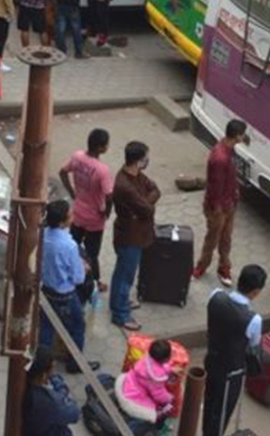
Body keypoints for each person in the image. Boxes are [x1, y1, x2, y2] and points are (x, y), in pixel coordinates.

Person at [202, 264, 266, 436]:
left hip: (211, 361)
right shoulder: (253, 320)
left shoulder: (215, 295)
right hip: (231, 374)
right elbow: (253, 346)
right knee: (222, 412)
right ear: (256, 292)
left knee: (209, 402)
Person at [38, 199, 99, 373]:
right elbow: (78, 278)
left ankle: (43, 364)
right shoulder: (69, 246)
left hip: (46, 291)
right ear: (63, 221)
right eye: (70, 214)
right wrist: (83, 267)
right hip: (65, 295)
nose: (73, 216)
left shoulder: (43, 235)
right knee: (78, 327)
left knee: (46, 328)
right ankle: (75, 364)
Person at [110, 141, 160, 332]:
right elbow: (147, 210)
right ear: (138, 161)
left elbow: (155, 189)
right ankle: (120, 314)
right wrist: (145, 207)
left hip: (136, 233)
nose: (147, 161)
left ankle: (120, 301)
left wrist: (143, 206)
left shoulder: (136, 175)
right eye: (145, 158)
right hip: (129, 237)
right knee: (125, 276)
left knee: (123, 273)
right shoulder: (124, 185)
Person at [194, 119, 249, 287]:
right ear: (238, 135)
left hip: (229, 202)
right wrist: (217, 209)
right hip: (219, 208)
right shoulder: (220, 158)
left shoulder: (229, 150)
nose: (245, 136)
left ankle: (224, 267)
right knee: (213, 238)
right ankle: (201, 266)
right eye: (243, 133)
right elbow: (215, 186)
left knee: (226, 238)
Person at [59, 128, 112, 292]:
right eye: (106, 144)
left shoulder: (77, 157)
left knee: (74, 245)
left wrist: (72, 193)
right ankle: (94, 282)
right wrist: (107, 212)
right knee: (92, 252)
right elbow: (109, 195)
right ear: (101, 148)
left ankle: (70, 272)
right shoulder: (102, 170)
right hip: (94, 219)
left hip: (77, 213)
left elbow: (62, 172)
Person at [22, 346, 81, 436]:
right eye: (52, 369)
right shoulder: (50, 402)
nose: (53, 372)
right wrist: (61, 389)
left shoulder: (24, 381)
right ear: (44, 375)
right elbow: (75, 414)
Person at [116, 338, 173, 424]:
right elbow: (159, 395)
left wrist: (170, 370)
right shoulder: (155, 378)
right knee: (153, 412)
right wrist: (170, 398)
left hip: (127, 384)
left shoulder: (148, 359)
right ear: (166, 359)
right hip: (133, 397)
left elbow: (163, 367)